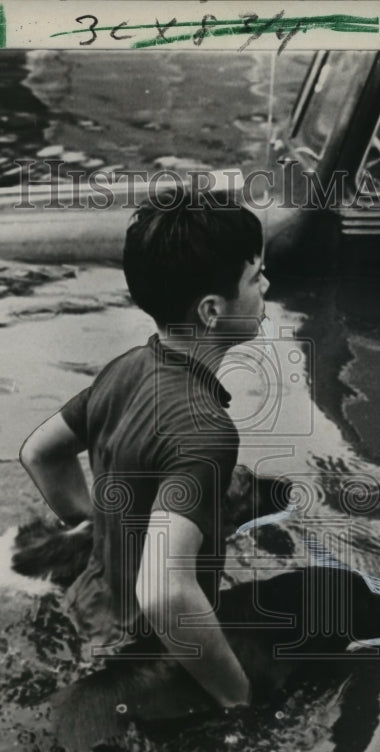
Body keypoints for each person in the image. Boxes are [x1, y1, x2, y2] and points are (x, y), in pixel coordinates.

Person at [20, 189, 269, 711]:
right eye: (255, 277)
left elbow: (40, 453)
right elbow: (164, 592)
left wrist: (100, 528)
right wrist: (236, 696)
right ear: (211, 310)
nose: (267, 285)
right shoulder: (206, 428)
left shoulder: (125, 368)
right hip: (143, 651)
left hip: (88, 608)